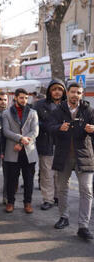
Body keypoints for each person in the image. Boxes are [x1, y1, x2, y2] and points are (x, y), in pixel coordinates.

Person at [49, 82, 94, 240]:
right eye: (73, 92)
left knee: (86, 190)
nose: (76, 95)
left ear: (82, 95)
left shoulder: (88, 110)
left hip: (84, 156)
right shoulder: (58, 110)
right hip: (63, 155)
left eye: (79, 92)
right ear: (67, 93)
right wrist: (58, 128)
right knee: (62, 188)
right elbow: (49, 127)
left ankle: (83, 226)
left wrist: (92, 130)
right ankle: (64, 217)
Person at [3, 88, 39, 214]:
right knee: (12, 179)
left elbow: (35, 132)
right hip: (12, 151)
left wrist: (21, 143)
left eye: (26, 97)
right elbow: (6, 131)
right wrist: (20, 139)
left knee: (29, 179)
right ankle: (10, 202)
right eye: (21, 97)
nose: (24, 100)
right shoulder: (6, 113)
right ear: (16, 98)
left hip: (28, 151)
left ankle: (27, 203)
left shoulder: (33, 112)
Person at [33, 79, 66, 211]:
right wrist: (50, 127)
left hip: (62, 145)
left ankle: (58, 196)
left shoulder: (67, 105)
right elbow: (34, 122)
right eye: (54, 89)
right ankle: (48, 199)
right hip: (46, 143)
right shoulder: (39, 105)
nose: (57, 92)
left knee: (60, 174)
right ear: (49, 91)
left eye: (60, 89)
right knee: (47, 174)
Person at [0, 91, 8, 204]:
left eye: (5, 100)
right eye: (0, 99)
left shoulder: (10, 113)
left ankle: (6, 198)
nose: (3, 102)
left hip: (8, 149)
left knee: (8, 176)